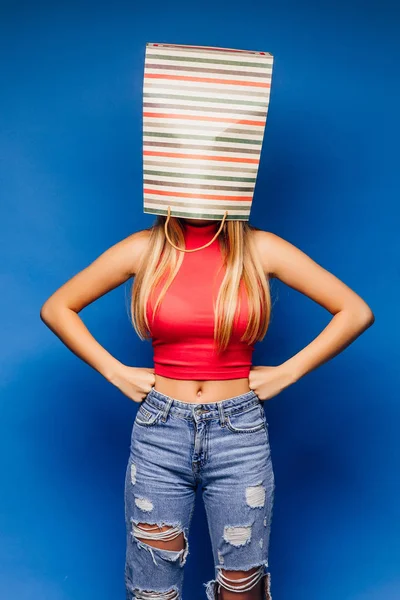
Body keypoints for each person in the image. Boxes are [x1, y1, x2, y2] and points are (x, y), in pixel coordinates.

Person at [40, 43, 375, 600]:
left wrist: (283, 374)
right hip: (159, 432)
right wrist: (118, 373)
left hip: (240, 432)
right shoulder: (143, 250)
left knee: (243, 589)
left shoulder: (261, 250)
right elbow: (58, 306)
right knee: (152, 589)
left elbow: (355, 311)